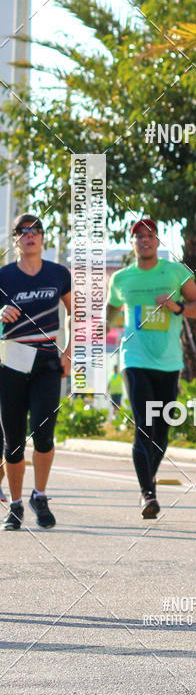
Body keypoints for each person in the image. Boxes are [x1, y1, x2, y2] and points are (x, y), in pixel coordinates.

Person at [106, 219, 196, 518]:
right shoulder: (122, 279)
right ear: (132, 242)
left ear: (158, 241)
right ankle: (147, 493)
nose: (144, 240)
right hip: (134, 360)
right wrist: (108, 320)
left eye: (149, 235)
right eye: (138, 236)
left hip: (169, 363)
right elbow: (111, 310)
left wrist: (176, 307)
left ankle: (148, 483)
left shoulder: (175, 272)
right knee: (143, 426)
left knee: (162, 430)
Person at [0, 214, 71, 530]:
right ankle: (15, 506)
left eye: (36, 230)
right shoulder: (4, 277)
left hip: (46, 365)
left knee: (44, 435)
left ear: (42, 238)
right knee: (13, 442)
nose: (30, 235)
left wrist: (69, 351)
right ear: (14, 238)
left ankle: (39, 495)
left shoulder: (58, 273)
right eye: (23, 231)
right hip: (10, 364)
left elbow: (75, 313)